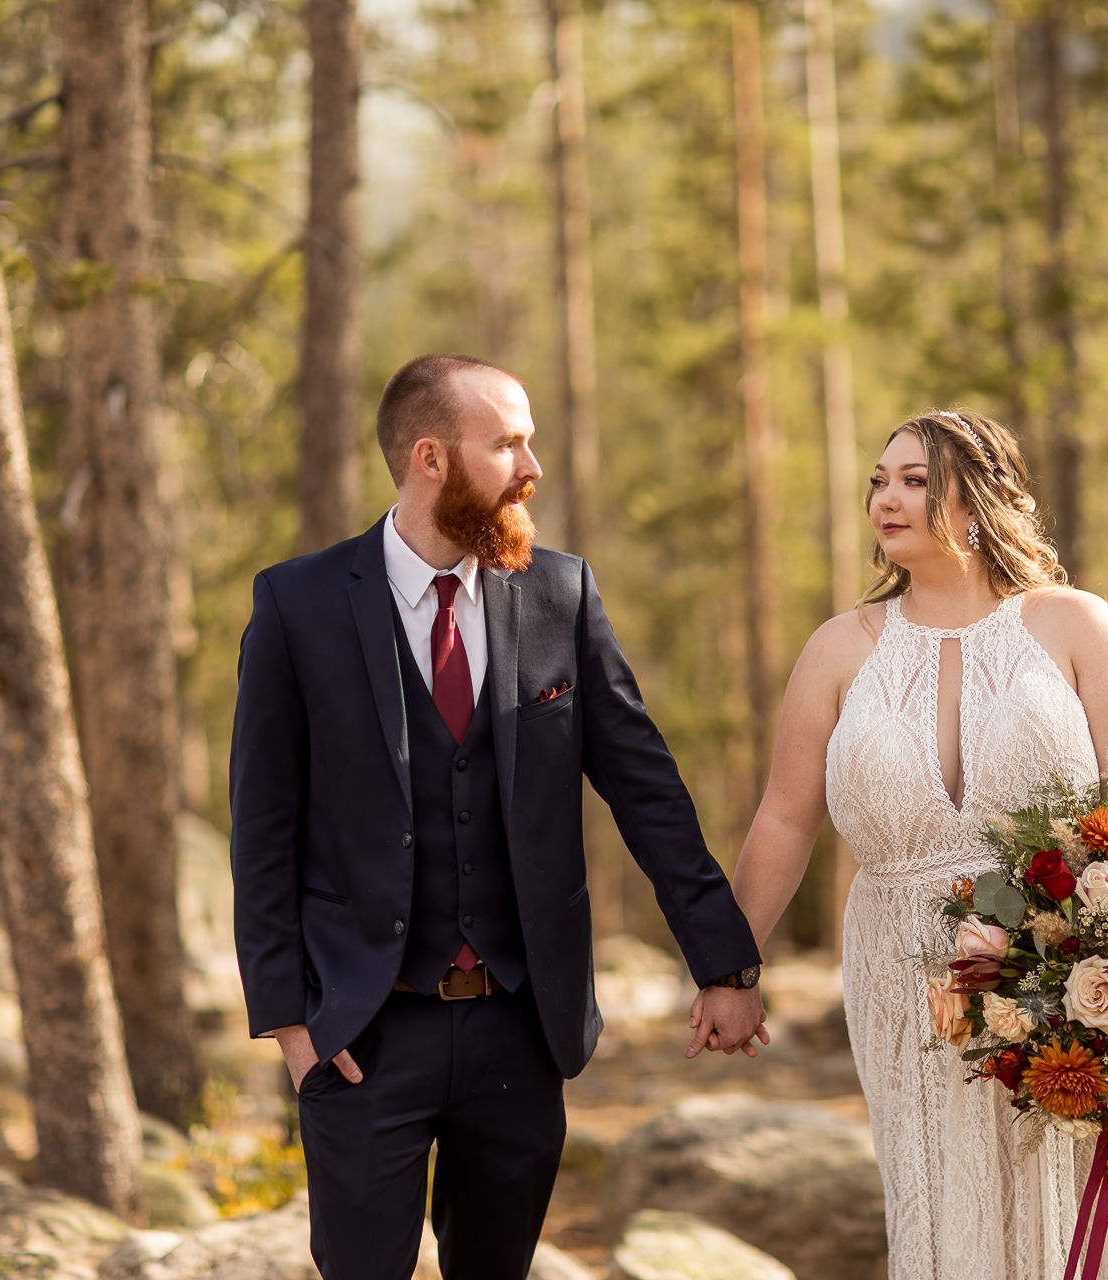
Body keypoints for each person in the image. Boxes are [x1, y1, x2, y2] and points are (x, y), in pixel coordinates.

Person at [229, 353, 767, 1280]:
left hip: (520, 1029)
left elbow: (648, 792)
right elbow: (262, 827)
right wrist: (289, 1023)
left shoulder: (562, 594)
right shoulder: (298, 604)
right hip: (362, 1030)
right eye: (508, 443)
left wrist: (724, 961)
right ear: (430, 458)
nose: (533, 465)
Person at [695, 409, 1108, 1279]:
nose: (888, 498)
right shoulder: (838, 650)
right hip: (901, 973)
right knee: (942, 1214)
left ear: (982, 496)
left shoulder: (1077, 625)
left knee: (1073, 1205)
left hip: (1066, 968)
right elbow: (785, 820)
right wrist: (732, 969)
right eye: (880, 479)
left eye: (916, 480)